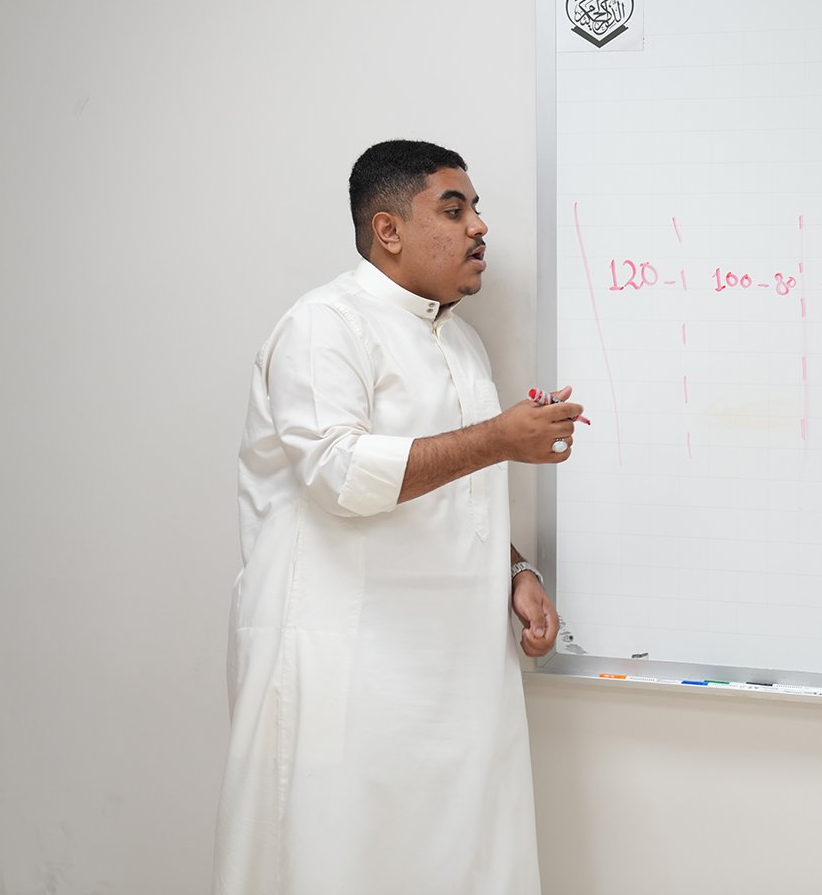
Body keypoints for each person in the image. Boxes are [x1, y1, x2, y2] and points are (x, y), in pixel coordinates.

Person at [213, 139, 581, 895]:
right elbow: (341, 475)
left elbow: (453, 487)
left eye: (477, 208)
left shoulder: (463, 343)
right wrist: (499, 438)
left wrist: (514, 569)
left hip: (454, 672)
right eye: (454, 209)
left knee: (458, 859)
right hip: (344, 666)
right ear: (388, 230)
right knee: (333, 861)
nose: (479, 226)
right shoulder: (324, 325)